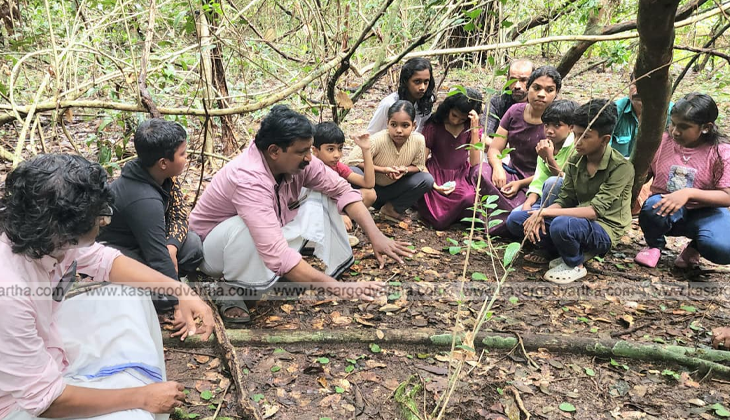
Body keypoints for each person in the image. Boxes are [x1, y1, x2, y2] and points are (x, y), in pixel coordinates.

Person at [0, 154, 214, 420]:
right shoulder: (9, 293)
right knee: (131, 415)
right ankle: (149, 397)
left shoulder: (43, 239)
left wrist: (180, 290)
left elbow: (106, 261)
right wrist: (141, 396)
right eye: (99, 216)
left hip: (44, 342)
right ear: (65, 229)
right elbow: (46, 401)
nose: (103, 221)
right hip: (15, 404)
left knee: (128, 292)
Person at [189, 105, 412, 325]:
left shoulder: (299, 163)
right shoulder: (248, 178)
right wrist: (342, 289)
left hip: (263, 234)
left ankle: (277, 275)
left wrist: (376, 236)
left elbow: (342, 189)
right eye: (301, 152)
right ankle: (231, 289)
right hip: (212, 252)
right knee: (245, 226)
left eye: (309, 150)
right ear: (274, 151)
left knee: (320, 196)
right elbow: (275, 252)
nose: (308, 158)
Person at [507, 99, 634, 284]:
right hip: (574, 220)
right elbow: (566, 197)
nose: (577, 142)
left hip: (604, 227)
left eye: (585, 136)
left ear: (605, 139)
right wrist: (539, 215)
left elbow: (593, 212)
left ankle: (576, 264)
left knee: (561, 225)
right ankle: (562, 249)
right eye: (575, 135)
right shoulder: (577, 159)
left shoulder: (621, 168)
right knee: (517, 220)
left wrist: (545, 211)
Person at [98, 119, 203, 314]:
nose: (187, 157)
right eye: (183, 154)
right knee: (164, 299)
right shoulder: (143, 199)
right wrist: (180, 303)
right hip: (122, 251)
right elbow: (157, 258)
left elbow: (179, 216)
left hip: (145, 243)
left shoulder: (159, 176)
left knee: (192, 245)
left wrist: (171, 246)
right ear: (163, 163)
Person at [634, 93, 730, 268]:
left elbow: (727, 196)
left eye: (684, 127)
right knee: (652, 208)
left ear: (706, 127)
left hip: (707, 212)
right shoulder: (661, 142)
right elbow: (642, 174)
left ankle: (695, 248)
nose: (675, 131)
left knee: (724, 248)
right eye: (673, 123)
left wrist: (688, 193)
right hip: (666, 207)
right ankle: (654, 245)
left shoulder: (720, 152)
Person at [479, 65, 562, 235]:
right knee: (479, 170)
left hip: (539, 184)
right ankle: (513, 220)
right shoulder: (514, 111)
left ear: (556, 93)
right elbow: (495, 148)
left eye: (549, 90)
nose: (541, 94)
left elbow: (557, 171)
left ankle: (509, 221)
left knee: (548, 189)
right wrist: (498, 168)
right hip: (512, 174)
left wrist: (521, 184)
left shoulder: (560, 122)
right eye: (536, 88)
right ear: (528, 88)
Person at [506, 99, 578, 263]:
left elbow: (568, 185)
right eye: (546, 125)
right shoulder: (546, 144)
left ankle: (548, 248)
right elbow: (539, 180)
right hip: (544, 201)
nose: (550, 131)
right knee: (514, 219)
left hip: (565, 206)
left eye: (557, 126)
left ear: (571, 127)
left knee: (554, 182)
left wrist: (549, 159)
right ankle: (545, 237)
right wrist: (528, 204)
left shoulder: (576, 147)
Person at [348, 100, 434, 223]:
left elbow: (419, 166)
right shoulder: (378, 139)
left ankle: (392, 208)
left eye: (405, 125)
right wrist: (382, 170)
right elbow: (351, 161)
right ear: (387, 123)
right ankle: (357, 208)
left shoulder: (419, 140)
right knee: (353, 171)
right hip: (370, 188)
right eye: (394, 125)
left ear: (413, 125)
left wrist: (404, 170)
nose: (399, 130)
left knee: (427, 179)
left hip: (395, 189)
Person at [416, 88, 484, 230]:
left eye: (462, 118)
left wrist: (474, 130)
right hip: (435, 174)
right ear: (448, 108)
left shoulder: (470, 128)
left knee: (469, 197)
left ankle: (458, 217)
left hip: (460, 176)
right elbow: (420, 160)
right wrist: (434, 185)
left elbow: (474, 162)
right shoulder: (434, 126)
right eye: (454, 115)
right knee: (437, 216)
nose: (456, 120)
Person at [312, 122, 377, 238]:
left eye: (340, 148)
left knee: (370, 194)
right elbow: (313, 201)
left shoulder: (337, 166)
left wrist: (366, 150)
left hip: (337, 204)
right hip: (317, 210)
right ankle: (335, 229)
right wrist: (337, 216)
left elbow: (369, 183)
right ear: (315, 150)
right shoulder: (311, 169)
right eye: (330, 149)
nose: (337, 155)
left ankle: (344, 226)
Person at [612, 72, 673, 159]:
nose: (640, 90)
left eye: (649, 86)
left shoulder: (670, 113)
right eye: (636, 84)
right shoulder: (614, 111)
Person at [367, 57, 435, 135]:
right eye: (417, 82)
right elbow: (371, 134)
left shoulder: (426, 101)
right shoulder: (389, 104)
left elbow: (422, 131)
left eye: (426, 82)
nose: (422, 87)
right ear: (406, 81)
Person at [483, 59, 534, 140]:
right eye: (513, 80)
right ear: (507, 79)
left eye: (523, 80)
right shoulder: (497, 101)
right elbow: (484, 137)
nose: (517, 85)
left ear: (533, 81)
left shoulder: (539, 102)